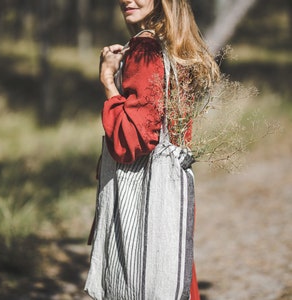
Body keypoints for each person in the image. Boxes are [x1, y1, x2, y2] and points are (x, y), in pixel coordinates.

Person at [85, 1, 219, 299]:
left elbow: (132, 140)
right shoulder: (173, 46)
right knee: (172, 279)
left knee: (140, 282)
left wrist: (108, 80)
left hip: (146, 195)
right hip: (172, 189)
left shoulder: (145, 50)